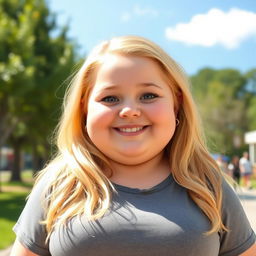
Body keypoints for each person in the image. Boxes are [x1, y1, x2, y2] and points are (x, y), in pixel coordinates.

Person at [11, 35, 256, 256]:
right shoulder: (60, 183)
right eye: (110, 98)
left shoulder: (207, 182)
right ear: (85, 109)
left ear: (176, 104)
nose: (129, 111)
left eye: (148, 95)